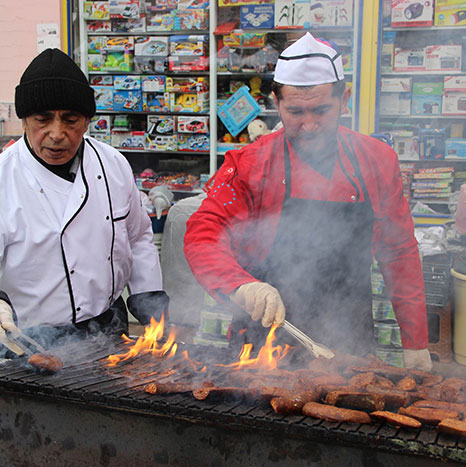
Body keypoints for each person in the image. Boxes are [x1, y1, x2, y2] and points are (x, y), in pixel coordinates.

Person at [183, 33, 431, 370]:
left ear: (345, 98)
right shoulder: (249, 163)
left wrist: (416, 343)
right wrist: (240, 285)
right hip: (263, 343)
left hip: (349, 342)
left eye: (321, 110)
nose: (309, 125)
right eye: (296, 111)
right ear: (275, 101)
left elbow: (399, 251)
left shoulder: (377, 160)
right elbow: (203, 232)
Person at [0, 48, 168, 354]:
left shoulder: (114, 165)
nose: (57, 134)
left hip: (108, 331)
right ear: (24, 121)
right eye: (43, 119)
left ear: (87, 122)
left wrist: (148, 298)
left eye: (70, 120)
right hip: (29, 342)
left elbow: (137, 237)